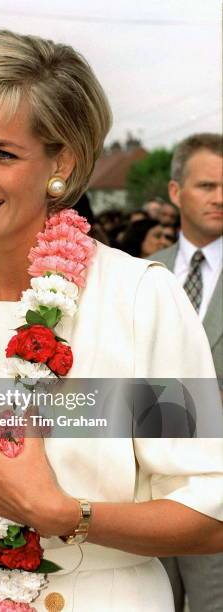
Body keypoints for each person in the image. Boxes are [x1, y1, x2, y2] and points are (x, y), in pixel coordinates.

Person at [0, 31, 223, 612]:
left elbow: (210, 515)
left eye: (2, 154)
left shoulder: (140, 298)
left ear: (61, 162)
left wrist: (67, 516)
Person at [152, 132, 223, 612]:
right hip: (148, 483)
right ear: (176, 192)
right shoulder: (142, 272)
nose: (220, 198)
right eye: (207, 185)